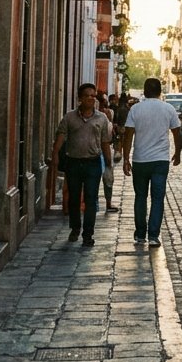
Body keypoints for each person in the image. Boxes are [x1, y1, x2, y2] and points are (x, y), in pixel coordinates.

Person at [121, 77, 182, 248]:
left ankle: (140, 234)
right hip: (160, 161)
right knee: (157, 198)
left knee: (140, 197)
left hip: (140, 160)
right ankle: (154, 235)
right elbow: (177, 133)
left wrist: (126, 159)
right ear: (160, 91)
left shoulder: (135, 109)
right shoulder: (168, 109)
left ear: (145, 91)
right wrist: (177, 153)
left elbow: (128, 135)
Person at [52, 82, 111, 246]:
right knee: (74, 198)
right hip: (74, 163)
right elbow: (61, 137)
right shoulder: (70, 117)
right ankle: (75, 227)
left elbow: (105, 142)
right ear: (80, 98)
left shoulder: (102, 118)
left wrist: (108, 165)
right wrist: (55, 154)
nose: (91, 99)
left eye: (93, 96)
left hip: (93, 164)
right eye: (87, 96)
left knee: (91, 199)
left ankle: (88, 234)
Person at [95, 92, 118, 212]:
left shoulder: (108, 114)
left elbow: (110, 133)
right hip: (96, 151)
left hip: (106, 149)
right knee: (93, 180)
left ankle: (108, 202)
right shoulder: (94, 117)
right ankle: (94, 203)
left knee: (108, 179)